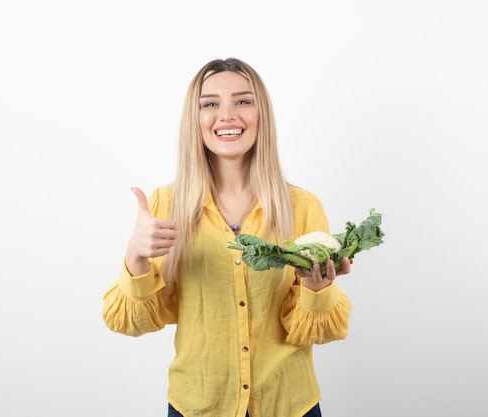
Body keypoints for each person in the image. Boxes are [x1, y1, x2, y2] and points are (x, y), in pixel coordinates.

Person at [102, 57, 353, 417]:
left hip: (287, 404)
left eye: (242, 101)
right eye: (210, 104)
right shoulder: (165, 204)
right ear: (196, 118)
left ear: (260, 113)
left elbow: (318, 331)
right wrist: (135, 257)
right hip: (199, 405)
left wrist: (316, 290)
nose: (227, 115)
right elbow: (133, 322)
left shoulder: (301, 207)